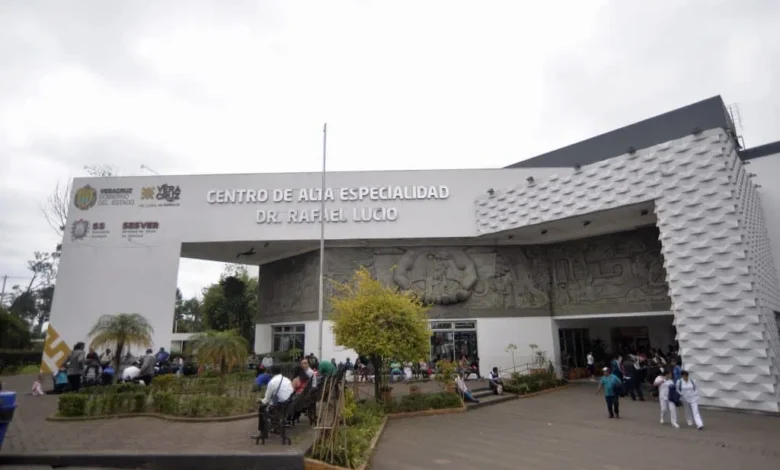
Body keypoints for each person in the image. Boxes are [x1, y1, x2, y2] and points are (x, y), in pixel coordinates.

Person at [256, 364, 294, 439]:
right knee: (273, 404)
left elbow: (266, 400)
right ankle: (276, 428)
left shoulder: (272, 382)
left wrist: (260, 400)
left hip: (281, 406)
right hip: (289, 405)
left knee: (262, 408)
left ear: (271, 373)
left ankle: (262, 433)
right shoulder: (287, 379)